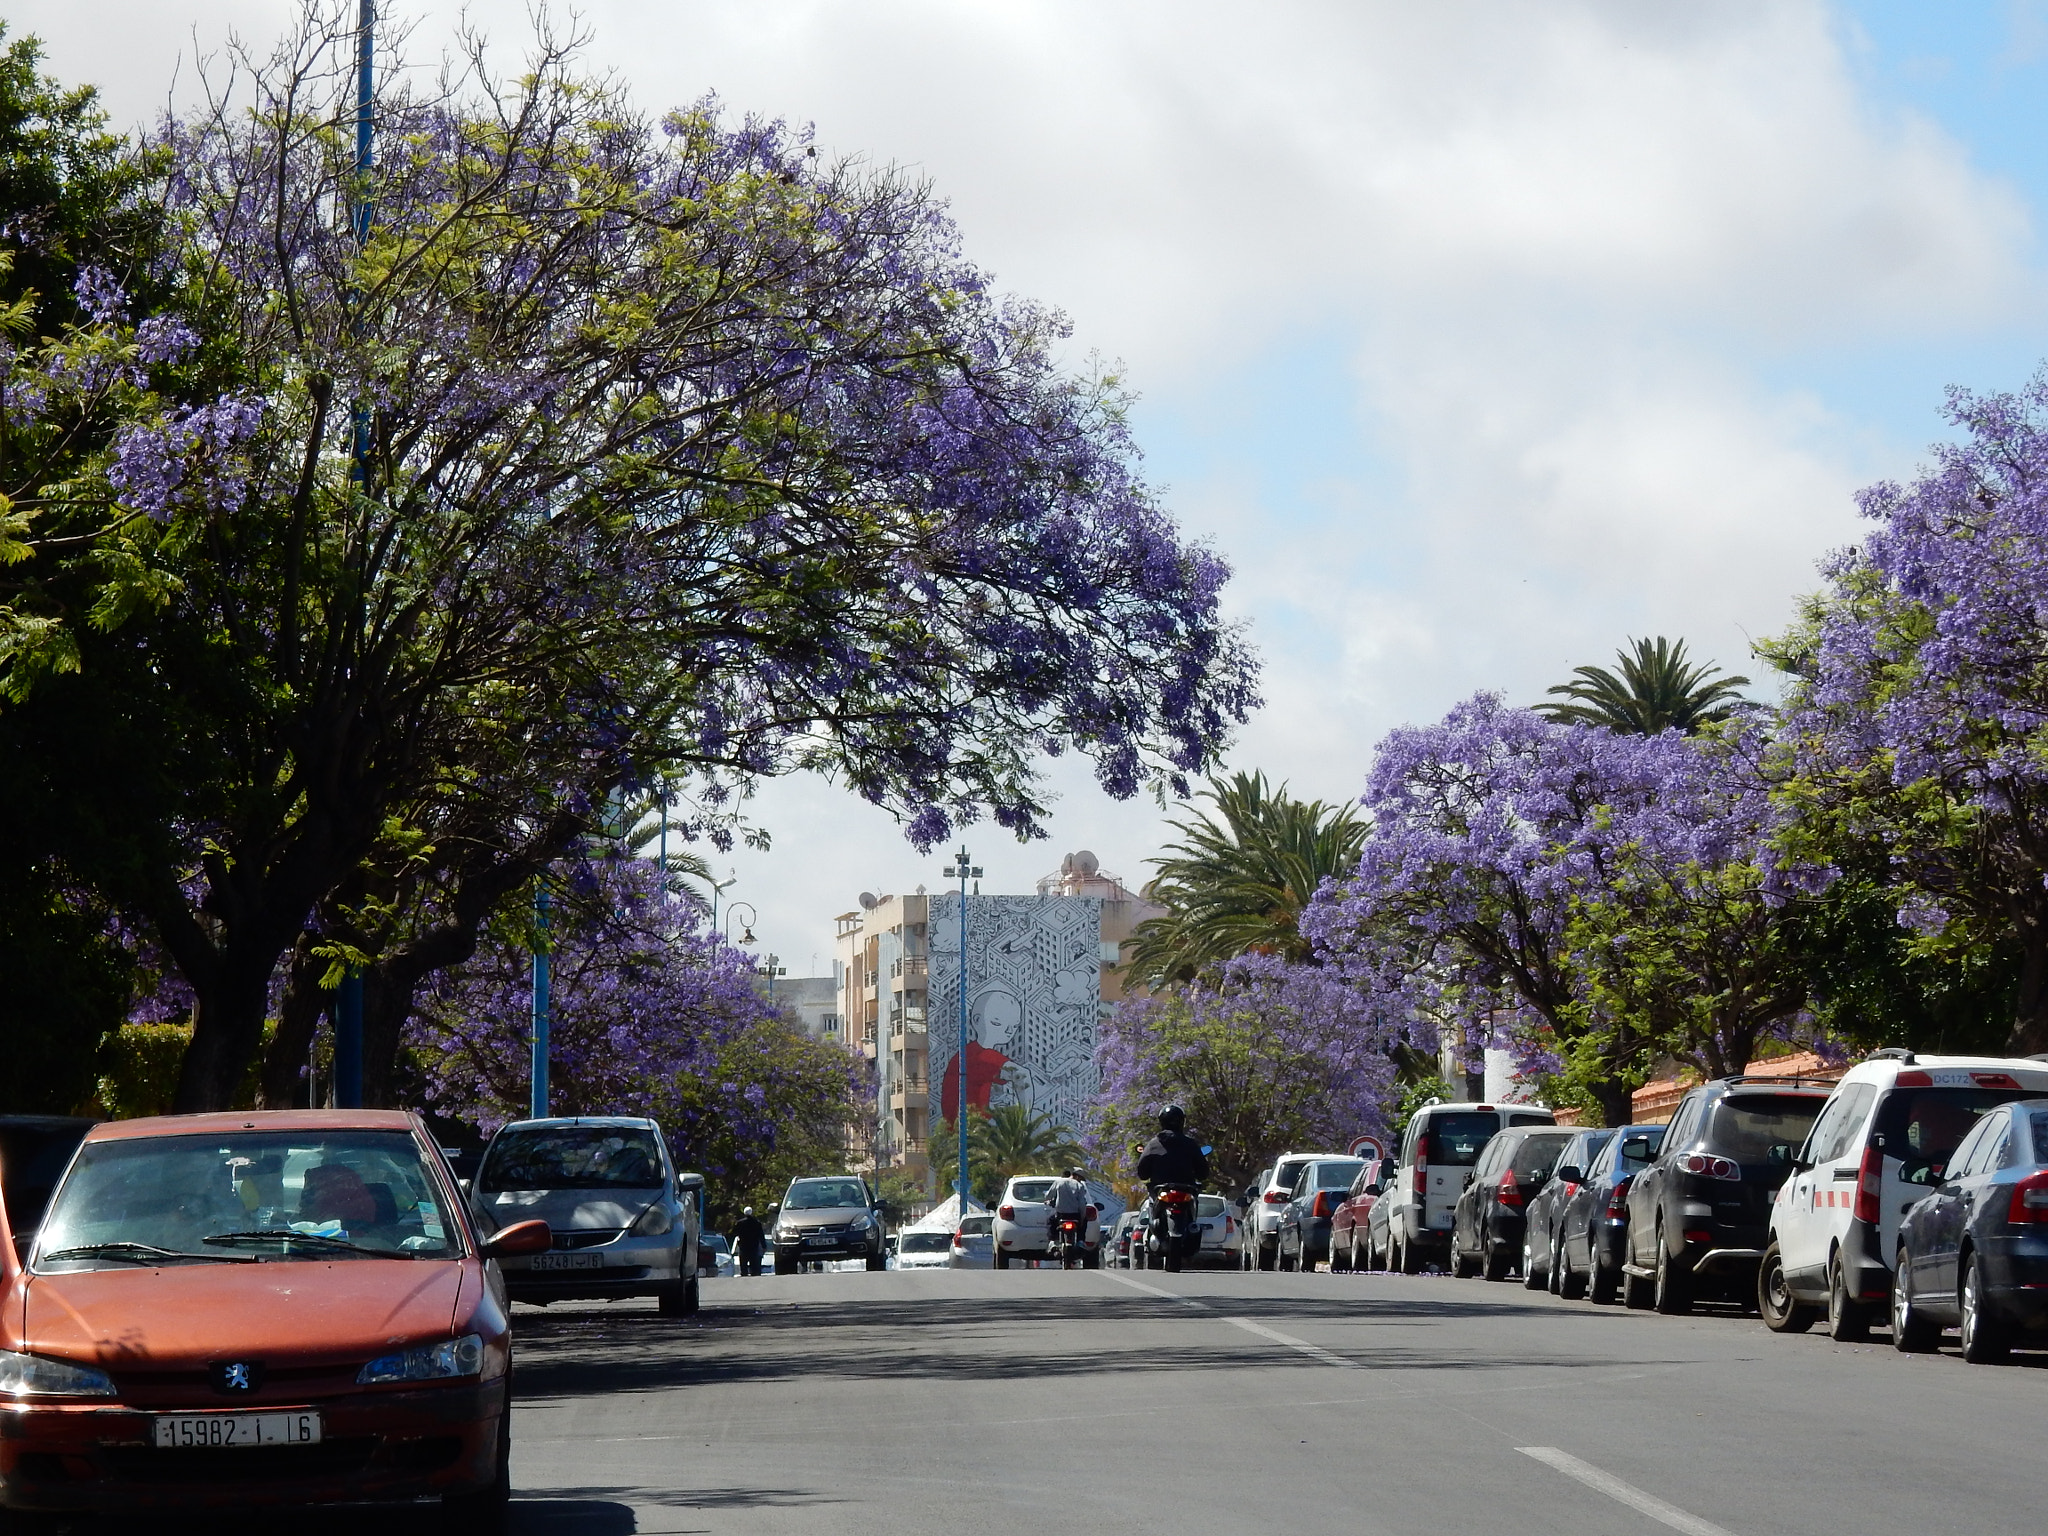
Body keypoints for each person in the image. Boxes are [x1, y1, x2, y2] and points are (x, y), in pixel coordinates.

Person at [1045, 1166, 1091, 1249]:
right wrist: (1082, 1217)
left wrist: (1048, 1200)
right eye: (1080, 1179)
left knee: (1050, 1220)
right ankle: (1080, 1241)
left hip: (1061, 1215)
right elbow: (1082, 1204)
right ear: (1076, 1176)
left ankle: (1052, 1242)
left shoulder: (1059, 1182)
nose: (1080, 1181)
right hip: (1075, 1215)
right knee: (1084, 1222)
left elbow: (1048, 1195)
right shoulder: (1079, 1186)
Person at [732, 1205, 765, 1277]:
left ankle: (744, 1274)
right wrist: (764, 1246)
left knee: (743, 1263)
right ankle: (753, 1273)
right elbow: (761, 1235)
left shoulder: (740, 1223)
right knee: (754, 1264)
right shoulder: (757, 1223)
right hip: (753, 1246)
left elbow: (734, 1232)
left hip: (743, 1246)